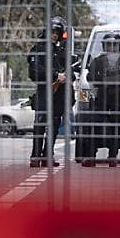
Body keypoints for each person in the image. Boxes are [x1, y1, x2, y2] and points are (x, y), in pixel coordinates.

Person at [83, 32, 120, 167]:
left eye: (114, 45)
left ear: (119, 46)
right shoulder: (98, 60)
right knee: (95, 126)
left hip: (119, 97)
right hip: (102, 96)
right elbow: (90, 77)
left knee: (116, 128)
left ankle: (113, 156)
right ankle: (91, 156)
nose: (111, 47)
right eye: (108, 45)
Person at [28, 16, 77, 168]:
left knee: (54, 124)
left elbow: (72, 74)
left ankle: (47, 154)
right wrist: (56, 76)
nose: (54, 34)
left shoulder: (62, 52)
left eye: (57, 32)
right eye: (52, 31)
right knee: (40, 124)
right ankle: (35, 155)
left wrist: (67, 76)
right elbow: (35, 72)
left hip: (59, 95)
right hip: (45, 92)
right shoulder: (38, 50)